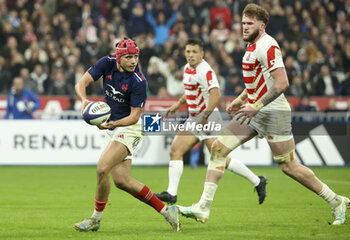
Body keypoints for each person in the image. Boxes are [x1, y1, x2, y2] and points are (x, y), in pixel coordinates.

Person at [178, 4, 349, 225]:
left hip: (273, 113)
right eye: (243, 23)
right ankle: (203, 207)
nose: (244, 27)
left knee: (288, 166)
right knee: (218, 148)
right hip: (255, 111)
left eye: (250, 23)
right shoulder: (251, 46)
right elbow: (258, 80)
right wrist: (241, 99)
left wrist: (255, 105)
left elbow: (282, 82)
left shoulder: (268, 45)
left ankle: (335, 201)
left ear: (262, 25)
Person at [73, 38, 180, 232]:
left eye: (136, 57)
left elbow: (134, 117)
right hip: (113, 126)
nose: (133, 61)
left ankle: (95, 219)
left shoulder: (139, 81)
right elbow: (82, 83)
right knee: (122, 181)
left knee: (102, 168)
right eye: (129, 57)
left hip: (129, 127)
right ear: (119, 58)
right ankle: (166, 210)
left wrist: (112, 124)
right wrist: (83, 100)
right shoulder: (106, 63)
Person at [155, 39, 267, 205]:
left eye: (194, 52)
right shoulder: (187, 68)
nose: (190, 55)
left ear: (202, 54)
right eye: (188, 52)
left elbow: (215, 95)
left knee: (218, 156)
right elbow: (191, 90)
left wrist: (205, 117)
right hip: (195, 118)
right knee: (176, 150)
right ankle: (171, 193)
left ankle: (258, 181)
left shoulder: (206, 71)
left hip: (207, 118)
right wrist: (179, 103)